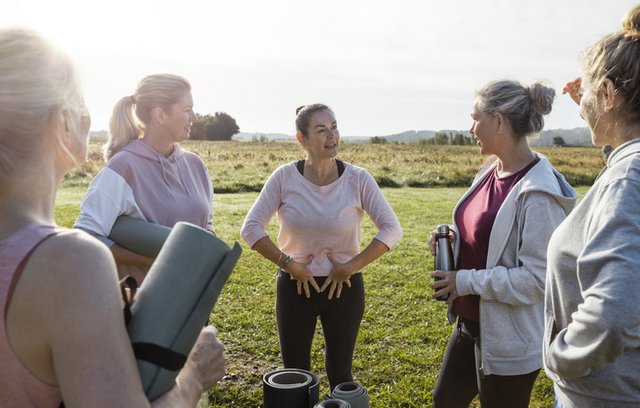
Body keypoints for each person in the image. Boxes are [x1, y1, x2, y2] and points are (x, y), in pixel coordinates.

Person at [0, 28, 224, 407]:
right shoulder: (71, 263)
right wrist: (194, 377)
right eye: (80, 102)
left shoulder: (194, 165)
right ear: (65, 124)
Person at [429, 80, 576, 408]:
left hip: (509, 337)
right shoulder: (490, 170)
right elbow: (482, 234)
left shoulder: (539, 194)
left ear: (498, 121)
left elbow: (537, 281)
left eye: (475, 117)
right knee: (445, 401)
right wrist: (453, 241)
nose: (470, 128)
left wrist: (463, 281)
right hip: (470, 322)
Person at [240, 104, 402, 391]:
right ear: (302, 139)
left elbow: (392, 229)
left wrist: (350, 267)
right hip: (294, 285)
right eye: (321, 130)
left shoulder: (358, 179)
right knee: (295, 375)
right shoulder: (283, 178)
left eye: (334, 127)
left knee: (340, 374)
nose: (332, 135)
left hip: (344, 287)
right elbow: (250, 229)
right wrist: (289, 264)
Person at [544, 5, 640, 407]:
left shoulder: (627, 179)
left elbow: (614, 314)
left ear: (608, 94)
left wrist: (558, 358)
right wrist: (594, 112)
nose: (580, 103)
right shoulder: (628, 167)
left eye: (588, 92)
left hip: (604, 395)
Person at [74, 73, 213, 284]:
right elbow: (86, 237)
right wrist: (151, 261)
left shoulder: (196, 166)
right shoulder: (123, 167)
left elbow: (207, 224)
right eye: (187, 110)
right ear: (161, 114)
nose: (195, 117)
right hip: (143, 306)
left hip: (193, 298)